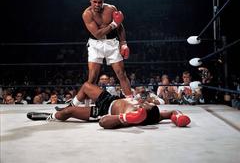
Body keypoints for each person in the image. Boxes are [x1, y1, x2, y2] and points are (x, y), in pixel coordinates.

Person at [55, 0, 132, 111]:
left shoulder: (111, 9)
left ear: (103, 1)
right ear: (90, 0)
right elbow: (97, 34)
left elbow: (120, 26)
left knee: (121, 74)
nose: (97, 5)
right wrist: (113, 24)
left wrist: (123, 43)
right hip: (95, 45)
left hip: (112, 43)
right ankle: (76, 106)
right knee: (92, 78)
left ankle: (131, 103)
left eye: (99, 2)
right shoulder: (87, 14)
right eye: (94, 2)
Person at [27, 82, 191, 129]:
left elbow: (103, 122)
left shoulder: (136, 116)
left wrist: (127, 117)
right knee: (86, 86)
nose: (145, 101)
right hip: (111, 98)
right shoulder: (154, 112)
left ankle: (52, 116)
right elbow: (171, 113)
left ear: (144, 113)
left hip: (104, 110)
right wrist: (179, 117)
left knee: (69, 112)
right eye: (147, 102)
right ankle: (67, 104)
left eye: (146, 104)